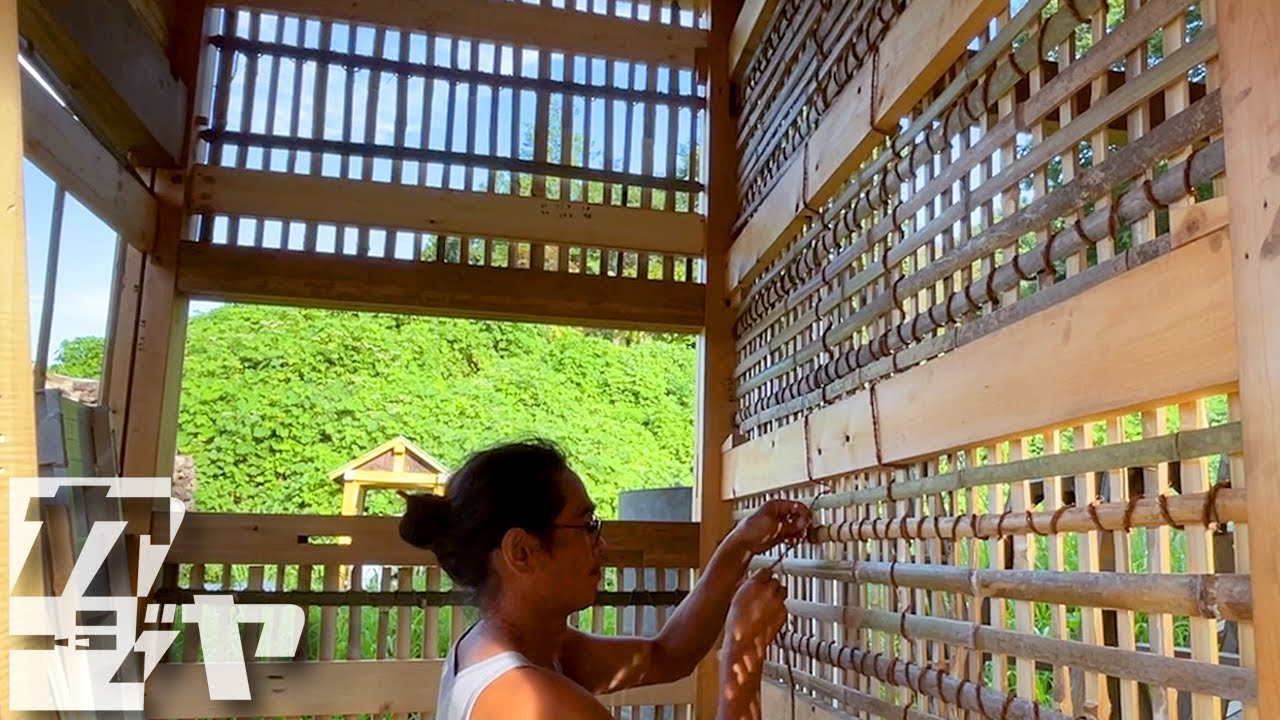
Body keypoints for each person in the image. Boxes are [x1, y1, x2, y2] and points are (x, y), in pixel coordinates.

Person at [398, 439, 811, 720]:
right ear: (522, 552)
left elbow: (667, 655)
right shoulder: (529, 699)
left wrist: (739, 547)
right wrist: (744, 650)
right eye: (587, 525)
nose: (603, 546)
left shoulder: (509, 647)